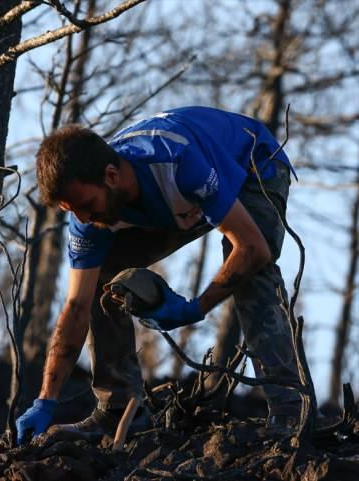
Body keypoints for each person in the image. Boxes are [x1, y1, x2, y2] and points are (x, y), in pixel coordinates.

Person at [16, 106, 303, 445]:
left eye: (86, 205)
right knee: (98, 276)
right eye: (73, 210)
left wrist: (196, 308)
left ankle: (291, 413)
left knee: (252, 271)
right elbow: (76, 307)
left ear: (110, 176)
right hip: (179, 202)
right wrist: (45, 399)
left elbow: (253, 248)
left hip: (251, 167)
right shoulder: (88, 213)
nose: (83, 218)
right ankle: (118, 411)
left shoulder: (177, 161)